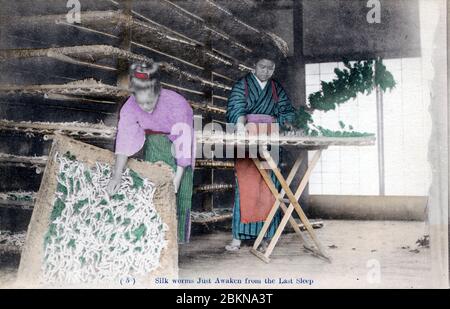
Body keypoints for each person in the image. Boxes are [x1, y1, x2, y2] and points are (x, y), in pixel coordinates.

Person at [107, 61, 195, 244]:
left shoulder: (177, 103)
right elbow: (124, 139)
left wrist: (176, 180)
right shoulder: (130, 107)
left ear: (158, 92)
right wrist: (116, 175)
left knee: (178, 198)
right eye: (141, 103)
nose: (145, 107)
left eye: (150, 101)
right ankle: (154, 242)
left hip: (179, 151)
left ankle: (176, 246)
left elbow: (183, 141)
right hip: (154, 146)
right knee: (153, 195)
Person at [225, 51, 296, 251]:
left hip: (271, 136)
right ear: (253, 67)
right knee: (245, 184)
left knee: (269, 185)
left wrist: (284, 122)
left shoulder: (276, 88)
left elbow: (286, 112)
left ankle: (267, 236)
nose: (266, 71)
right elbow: (236, 109)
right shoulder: (243, 85)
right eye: (262, 67)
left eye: (270, 68)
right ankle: (238, 237)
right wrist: (240, 127)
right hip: (246, 136)